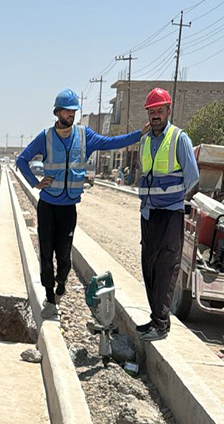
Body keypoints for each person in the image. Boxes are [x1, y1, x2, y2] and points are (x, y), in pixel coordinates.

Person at [17, 88, 147, 319]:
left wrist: (139, 135)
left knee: (64, 256)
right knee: (46, 253)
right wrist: (35, 183)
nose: (72, 116)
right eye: (68, 111)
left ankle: (61, 284)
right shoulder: (45, 137)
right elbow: (22, 160)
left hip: (68, 208)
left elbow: (112, 142)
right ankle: (49, 296)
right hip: (47, 206)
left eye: (75, 112)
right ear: (57, 112)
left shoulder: (84, 135)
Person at [136, 87, 200, 342]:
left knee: (166, 267)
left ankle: (162, 323)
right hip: (149, 213)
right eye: (152, 111)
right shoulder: (144, 140)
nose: (155, 116)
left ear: (168, 111)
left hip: (170, 214)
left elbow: (192, 176)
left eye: (159, 111)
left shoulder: (178, 138)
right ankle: (154, 318)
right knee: (149, 266)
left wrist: (174, 198)